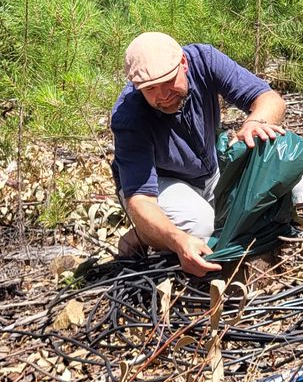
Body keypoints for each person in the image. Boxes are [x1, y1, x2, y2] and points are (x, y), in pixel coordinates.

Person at [112, 32, 286, 277]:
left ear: (183, 63)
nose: (162, 95)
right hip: (160, 185)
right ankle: (145, 231)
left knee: (294, 187)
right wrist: (176, 240)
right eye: (150, 88)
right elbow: (142, 199)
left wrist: (255, 122)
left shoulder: (204, 60)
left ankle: (154, 229)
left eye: (168, 81)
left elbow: (268, 98)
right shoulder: (128, 116)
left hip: (209, 169)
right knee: (200, 224)